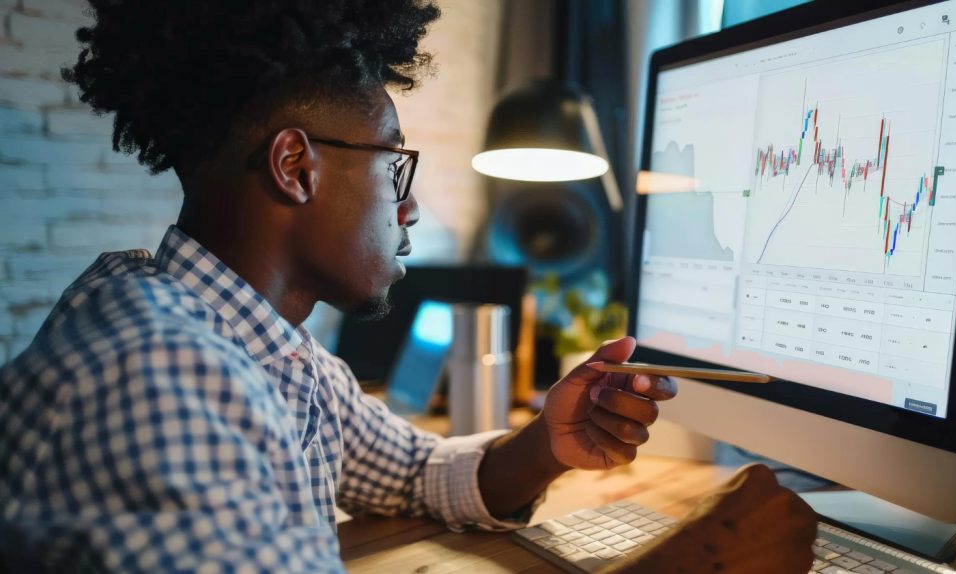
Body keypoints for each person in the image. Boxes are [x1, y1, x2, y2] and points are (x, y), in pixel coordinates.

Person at [0, 1, 817, 572]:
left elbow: (418, 474)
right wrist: (697, 562)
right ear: (296, 167)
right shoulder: (156, 374)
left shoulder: (268, 353)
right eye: (394, 163)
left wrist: (546, 444)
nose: (412, 204)